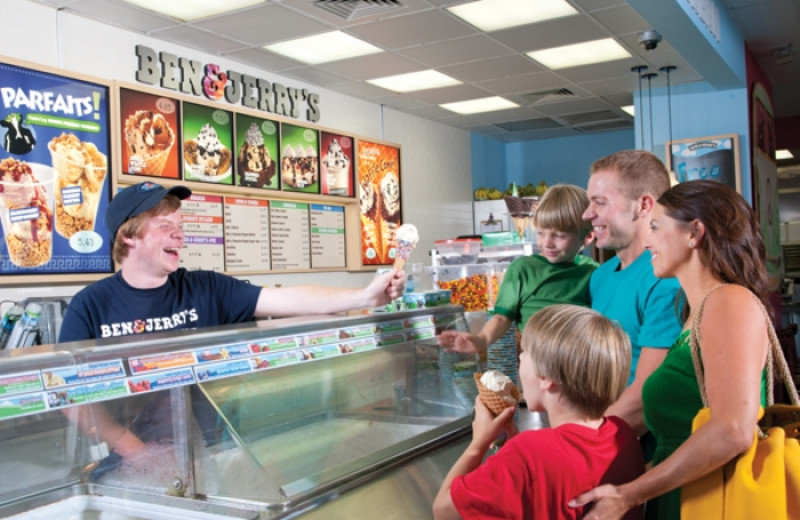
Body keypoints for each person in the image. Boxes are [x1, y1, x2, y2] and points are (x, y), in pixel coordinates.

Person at [58, 181, 406, 464]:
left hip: (214, 450)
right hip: (135, 458)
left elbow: (286, 299)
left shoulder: (206, 287)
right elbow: (71, 399)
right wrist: (135, 450)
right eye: (165, 227)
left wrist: (365, 297)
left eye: (180, 227)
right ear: (128, 237)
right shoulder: (90, 305)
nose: (179, 235)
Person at [569, 180, 771, 519]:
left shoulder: (728, 301)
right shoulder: (695, 310)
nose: (647, 241)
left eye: (656, 227)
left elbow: (732, 430)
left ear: (694, 233)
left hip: (712, 503)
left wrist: (629, 494)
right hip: (688, 496)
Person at [432, 304, 645, 520]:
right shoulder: (623, 434)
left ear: (546, 378)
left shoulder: (526, 453)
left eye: (524, 353)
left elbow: (443, 511)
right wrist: (510, 449)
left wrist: (478, 443)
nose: (520, 359)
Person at [582, 151, 683, 436]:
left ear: (643, 205)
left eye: (600, 203)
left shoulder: (666, 279)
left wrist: (584, 442)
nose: (587, 214)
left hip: (643, 448)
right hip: (603, 426)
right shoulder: (601, 276)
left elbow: (648, 394)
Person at [437, 184, 596, 354]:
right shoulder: (522, 269)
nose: (547, 243)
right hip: (535, 361)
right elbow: (501, 318)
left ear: (587, 237)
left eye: (559, 235)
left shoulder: (593, 272)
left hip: (578, 360)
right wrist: (482, 339)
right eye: (541, 233)